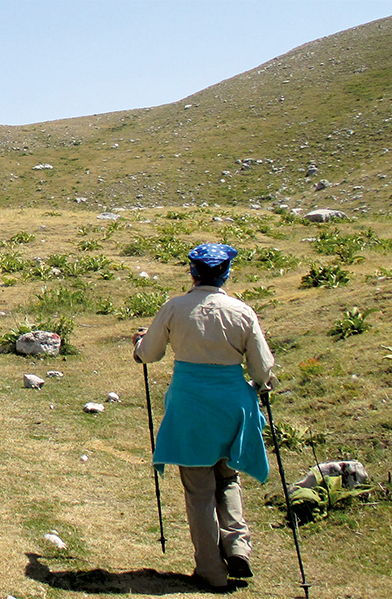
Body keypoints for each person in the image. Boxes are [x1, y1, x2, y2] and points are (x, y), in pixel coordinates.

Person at [132, 243, 277, 591]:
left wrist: (138, 345)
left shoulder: (175, 308)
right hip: (232, 404)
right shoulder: (241, 312)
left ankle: (211, 570)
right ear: (226, 273)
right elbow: (262, 368)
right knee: (228, 477)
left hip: (190, 404)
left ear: (193, 273)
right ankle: (238, 546)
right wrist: (261, 385)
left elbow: (149, 354)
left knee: (198, 489)